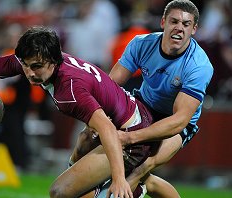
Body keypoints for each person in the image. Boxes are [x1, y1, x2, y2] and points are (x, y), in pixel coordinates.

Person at [0, 26, 176, 198]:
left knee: (60, 192)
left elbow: (107, 129)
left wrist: (119, 179)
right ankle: (142, 182)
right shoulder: (37, 57)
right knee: (82, 145)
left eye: (36, 67)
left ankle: (138, 185)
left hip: (130, 135)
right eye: (25, 65)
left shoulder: (69, 89)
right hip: (121, 119)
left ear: (53, 61)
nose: (29, 73)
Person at [70, 0, 214, 197]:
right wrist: (97, 122)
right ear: (163, 22)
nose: (179, 28)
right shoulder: (141, 44)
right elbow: (110, 87)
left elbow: (179, 120)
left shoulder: (199, 65)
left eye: (186, 24)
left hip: (176, 122)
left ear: (194, 29)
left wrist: (128, 137)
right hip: (143, 105)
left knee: (141, 169)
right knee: (87, 137)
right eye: (174, 22)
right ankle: (74, 183)